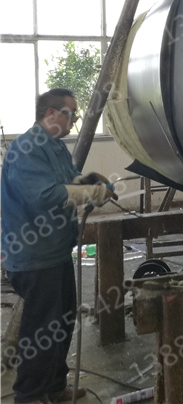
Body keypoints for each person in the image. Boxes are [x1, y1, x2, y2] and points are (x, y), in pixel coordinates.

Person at [1, 89, 114, 404]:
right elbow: (45, 196)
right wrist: (92, 193)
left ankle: (53, 385)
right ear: (51, 113)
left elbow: (69, 180)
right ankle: (29, 395)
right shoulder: (26, 148)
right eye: (70, 114)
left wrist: (89, 181)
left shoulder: (56, 147)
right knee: (41, 330)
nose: (74, 120)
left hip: (56, 251)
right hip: (34, 255)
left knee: (62, 321)